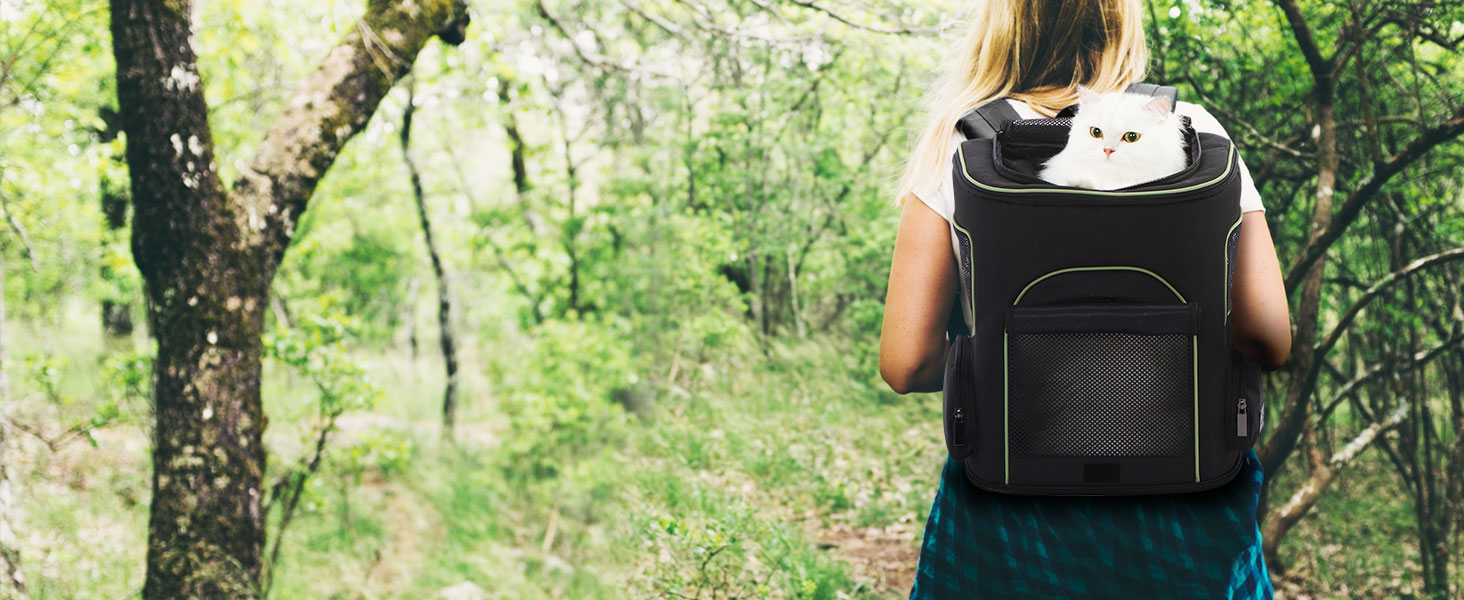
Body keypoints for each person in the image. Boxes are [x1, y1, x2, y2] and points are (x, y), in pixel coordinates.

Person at [877, 1, 1293, 597]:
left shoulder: (964, 145)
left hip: (1014, 502)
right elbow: (1268, 337)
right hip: (1186, 501)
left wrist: (1023, 362)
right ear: (1121, 26)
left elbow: (905, 361)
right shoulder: (1195, 134)